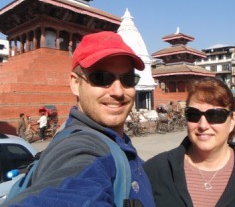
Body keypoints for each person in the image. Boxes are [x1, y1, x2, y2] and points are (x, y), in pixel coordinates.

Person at [4, 31, 155, 207]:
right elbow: (67, 193)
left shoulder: (117, 142)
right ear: (75, 84)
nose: (118, 92)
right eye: (101, 78)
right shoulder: (80, 149)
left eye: (128, 79)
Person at [144, 77, 235, 207]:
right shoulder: (156, 171)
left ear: (233, 119)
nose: (203, 125)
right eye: (193, 114)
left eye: (216, 115)